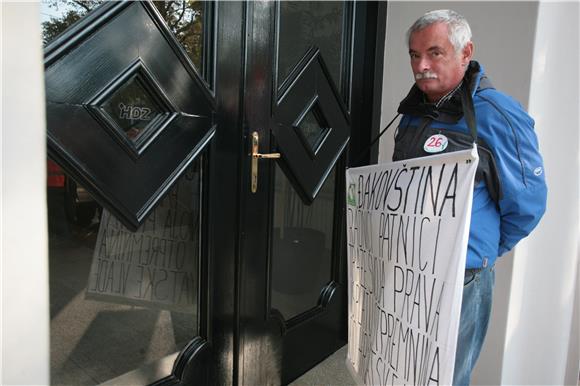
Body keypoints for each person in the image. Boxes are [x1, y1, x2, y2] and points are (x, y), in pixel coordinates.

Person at [393, 9, 548, 385]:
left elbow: (528, 205)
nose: (421, 65)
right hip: (410, 268)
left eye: (434, 53)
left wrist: (476, 251)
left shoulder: (497, 114)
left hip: (462, 277)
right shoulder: (415, 111)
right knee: (407, 368)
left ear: (466, 53)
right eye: (414, 55)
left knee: (446, 375)